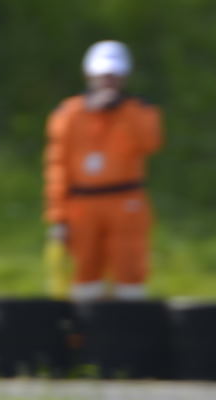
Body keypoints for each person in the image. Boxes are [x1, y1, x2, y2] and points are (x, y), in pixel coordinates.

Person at [44, 40, 162, 301]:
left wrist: (122, 109)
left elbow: (150, 142)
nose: (108, 82)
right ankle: (85, 333)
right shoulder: (69, 114)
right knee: (84, 273)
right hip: (82, 205)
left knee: (130, 270)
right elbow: (57, 168)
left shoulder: (138, 111)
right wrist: (58, 216)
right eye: (103, 76)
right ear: (89, 75)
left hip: (125, 202)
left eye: (114, 76)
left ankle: (130, 329)